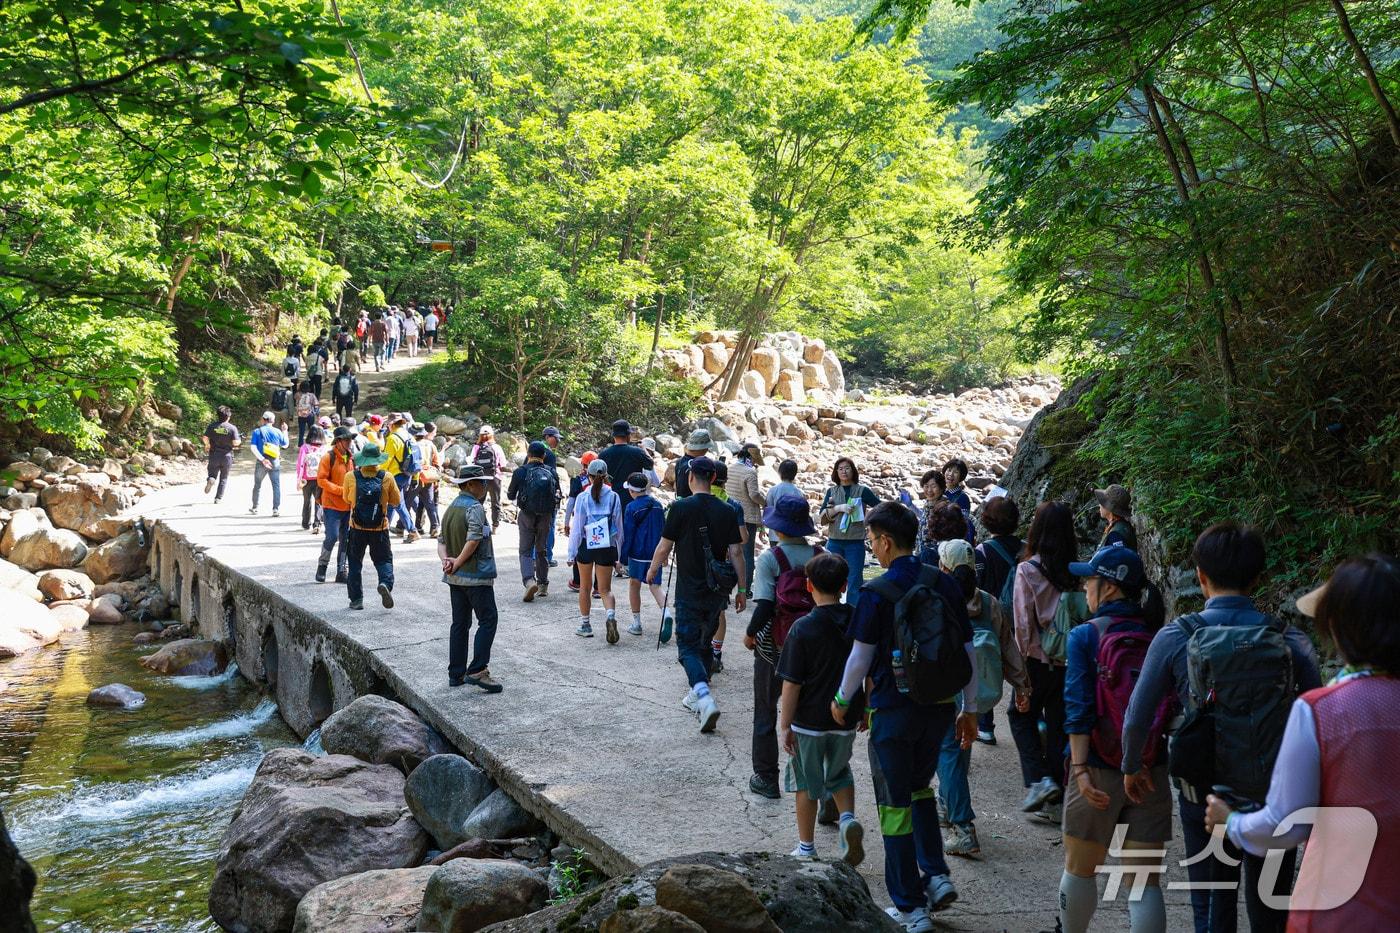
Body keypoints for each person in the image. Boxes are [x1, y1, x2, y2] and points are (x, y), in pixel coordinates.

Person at [1121, 522, 1320, 933]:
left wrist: (1131, 765)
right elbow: (1317, 718)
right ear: (1258, 578)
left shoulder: (1176, 636)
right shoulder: (1290, 640)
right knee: (1271, 908)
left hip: (1204, 792)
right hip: (1273, 794)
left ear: (1200, 576)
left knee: (1211, 905)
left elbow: (1137, 715)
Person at [1206, 552, 1400, 929]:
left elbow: (1286, 824)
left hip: (1338, 912)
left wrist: (1231, 822)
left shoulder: (1320, 711)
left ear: (1338, 627)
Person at [831, 502, 977, 932]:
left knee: (894, 805)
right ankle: (935, 875)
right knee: (919, 788)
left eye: (872, 540)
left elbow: (860, 657)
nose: (871, 547)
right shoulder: (943, 582)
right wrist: (969, 709)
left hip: (892, 711)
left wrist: (842, 699)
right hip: (939, 708)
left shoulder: (875, 593)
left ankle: (910, 907)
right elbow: (967, 651)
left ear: (886, 542)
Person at [1057, 545, 1171, 933]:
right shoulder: (1159, 636)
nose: (1084, 587)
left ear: (1108, 587)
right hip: (1150, 768)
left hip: (1097, 766)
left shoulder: (1085, 636)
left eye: (1089, 580)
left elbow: (1078, 709)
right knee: (1144, 883)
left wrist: (1079, 769)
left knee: (1080, 869)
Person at [934, 538, 1029, 860]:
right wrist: (1022, 686)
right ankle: (947, 803)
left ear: (944, 568)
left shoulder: (938, 600)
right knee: (961, 746)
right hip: (981, 691)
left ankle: (963, 827)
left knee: (948, 750)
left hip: (946, 689)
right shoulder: (988, 603)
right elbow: (1008, 646)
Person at [778, 550, 866, 866]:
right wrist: (866, 708)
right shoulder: (857, 620)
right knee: (840, 772)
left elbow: (792, 684)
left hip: (808, 722)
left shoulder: (802, 628)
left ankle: (806, 847)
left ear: (808, 586)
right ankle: (847, 821)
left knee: (806, 782)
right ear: (844, 586)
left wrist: (785, 724)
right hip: (846, 717)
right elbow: (867, 668)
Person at [645, 456, 745, 733]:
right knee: (704, 644)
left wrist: (652, 570)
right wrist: (742, 590)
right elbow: (737, 552)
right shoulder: (727, 510)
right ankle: (695, 695)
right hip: (717, 590)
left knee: (687, 647)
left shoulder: (680, 508)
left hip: (689, 590)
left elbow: (664, 547)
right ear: (713, 479)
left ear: (690, 478)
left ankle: (703, 696)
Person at [744, 495, 822, 801]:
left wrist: (750, 634)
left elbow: (765, 605)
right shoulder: (821, 556)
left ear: (778, 528)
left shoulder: (770, 559)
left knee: (765, 710)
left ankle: (766, 778)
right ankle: (820, 787)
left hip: (773, 647)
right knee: (811, 715)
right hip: (813, 648)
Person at [1008, 501, 1078, 818]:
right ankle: (1057, 793)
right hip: (1070, 660)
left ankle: (1039, 779)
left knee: (1020, 715)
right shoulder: (1076, 572)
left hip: (1037, 659)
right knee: (1058, 724)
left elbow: (1023, 623)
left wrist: (1020, 671)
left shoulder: (1028, 570)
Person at [438, 465, 503, 693]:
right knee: (488, 619)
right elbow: (474, 539)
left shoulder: (451, 508)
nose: (485, 486)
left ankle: (455, 674)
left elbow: (441, 541)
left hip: (455, 578)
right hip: (476, 577)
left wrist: (447, 562)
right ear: (471, 485)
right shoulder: (474, 508)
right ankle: (478, 669)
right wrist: (457, 562)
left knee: (460, 624)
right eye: (482, 482)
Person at [972, 494, 1022, 746]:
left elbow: (977, 586)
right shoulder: (1026, 548)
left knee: (986, 667)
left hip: (992, 618)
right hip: (1022, 619)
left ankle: (985, 727)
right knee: (1020, 665)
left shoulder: (982, 551)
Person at [568, 459, 624, 642]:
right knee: (605, 589)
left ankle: (585, 625)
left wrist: (571, 552)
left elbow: (577, 528)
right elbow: (619, 528)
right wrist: (619, 555)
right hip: (606, 546)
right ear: (606, 476)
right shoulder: (614, 497)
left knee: (585, 587)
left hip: (586, 545)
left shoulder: (582, 497)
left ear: (589, 476)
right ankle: (610, 616)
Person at [342, 441, 399, 610]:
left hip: (356, 528)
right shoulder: (387, 477)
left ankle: (356, 600)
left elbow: (346, 499)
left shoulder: (350, 476)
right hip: (379, 529)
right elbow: (396, 501)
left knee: (354, 563)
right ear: (378, 460)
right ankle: (385, 584)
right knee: (383, 560)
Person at [818, 457, 880, 605]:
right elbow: (821, 517)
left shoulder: (862, 491)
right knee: (831, 579)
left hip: (855, 543)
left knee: (854, 581)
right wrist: (838, 508)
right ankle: (832, 610)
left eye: (847, 468)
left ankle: (853, 612)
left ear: (853, 471)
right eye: (840, 469)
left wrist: (869, 522)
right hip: (834, 542)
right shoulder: (832, 492)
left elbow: (880, 508)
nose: (844, 471)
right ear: (836, 472)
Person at [507, 441, 558, 602]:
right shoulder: (551, 471)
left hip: (527, 515)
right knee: (541, 549)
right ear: (544, 455)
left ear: (528, 454)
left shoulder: (520, 471)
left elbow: (510, 495)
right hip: (546, 516)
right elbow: (557, 494)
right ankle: (543, 585)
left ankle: (529, 581)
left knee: (525, 550)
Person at [710, 460, 748, 674]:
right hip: (722, 566)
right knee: (719, 611)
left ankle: (701, 651)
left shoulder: (694, 501)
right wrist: (742, 588)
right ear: (726, 480)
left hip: (696, 563)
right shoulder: (733, 505)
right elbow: (742, 539)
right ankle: (715, 654)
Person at [622, 473, 668, 638]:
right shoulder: (658, 505)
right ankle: (667, 614)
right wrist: (665, 555)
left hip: (637, 553)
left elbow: (628, 534)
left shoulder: (631, 507)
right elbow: (664, 531)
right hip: (656, 553)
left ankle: (636, 623)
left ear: (631, 491)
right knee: (655, 586)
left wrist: (622, 558)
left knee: (634, 584)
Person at [726, 442, 767, 596]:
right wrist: (766, 502)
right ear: (751, 457)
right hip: (747, 518)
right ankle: (746, 589)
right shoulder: (750, 472)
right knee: (747, 555)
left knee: (731, 552)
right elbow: (754, 495)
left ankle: (727, 587)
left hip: (729, 515)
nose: (756, 463)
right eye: (755, 459)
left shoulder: (730, 468)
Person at [315, 426, 355, 583]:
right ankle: (322, 566)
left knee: (346, 539)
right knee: (332, 537)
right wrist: (340, 490)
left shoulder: (352, 458)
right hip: (331, 505)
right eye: (346, 439)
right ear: (338, 442)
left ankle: (342, 571)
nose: (349, 442)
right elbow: (321, 480)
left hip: (348, 506)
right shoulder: (328, 457)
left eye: (350, 439)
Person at [382, 414, 420, 543]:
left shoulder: (392, 438)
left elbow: (386, 459)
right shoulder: (409, 436)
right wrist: (415, 477)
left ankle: (412, 531)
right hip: (407, 474)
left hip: (395, 476)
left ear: (391, 424)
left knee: (398, 504)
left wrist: (377, 474)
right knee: (393, 503)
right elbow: (417, 459)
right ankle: (383, 529)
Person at [564, 451, 596, 594]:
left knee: (580, 549)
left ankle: (578, 581)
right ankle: (598, 587)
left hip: (582, 521)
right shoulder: (606, 481)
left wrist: (566, 522)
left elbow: (571, 502)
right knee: (599, 552)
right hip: (600, 524)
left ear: (583, 464)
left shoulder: (578, 479)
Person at [597, 420, 653, 495]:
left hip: (611, 496)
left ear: (614, 436)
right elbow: (650, 465)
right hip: (633, 495)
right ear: (628, 435)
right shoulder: (638, 452)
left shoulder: (603, 454)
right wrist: (644, 449)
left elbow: (599, 477)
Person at [249, 411, 288, 516]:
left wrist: (262, 459)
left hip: (262, 461)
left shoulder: (257, 431)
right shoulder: (278, 431)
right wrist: (285, 431)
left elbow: (253, 448)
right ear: (273, 421)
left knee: (257, 485)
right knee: (276, 485)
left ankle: (255, 507)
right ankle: (275, 509)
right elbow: (285, 445)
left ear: (263, 419)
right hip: (275, 461)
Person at [469, 425, 507, 529]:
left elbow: (471, 462)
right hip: (495, 478)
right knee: (495, 502)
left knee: (479, 502)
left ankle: (478, 524)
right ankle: (495, 526)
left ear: (480, 435)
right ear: (492, 435)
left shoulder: (476, 447)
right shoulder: (497, 447)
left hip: (480, 478)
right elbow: (503, 464)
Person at [202, 405, 240, 503]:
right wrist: (238, 441)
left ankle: (211, 479)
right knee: (224, 477)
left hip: (214, 454)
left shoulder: (212, 426)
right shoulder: (232, 428)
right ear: (228, 416)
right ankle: (218, 498)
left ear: (218, 415)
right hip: (227, 456)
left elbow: (205, 438)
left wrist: (207, 445)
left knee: (212, 473)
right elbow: (236, 442)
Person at [410, 423, 442, 538]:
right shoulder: (430, 444)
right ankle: (435, 528)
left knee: (407, 502)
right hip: (428, 477)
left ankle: (406, 528)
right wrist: (437, 480)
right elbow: (437, 463)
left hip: (415, 477)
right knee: (430, 503)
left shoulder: (412, 444)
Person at [296, 425, 327, 534]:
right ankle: (317, 524)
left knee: (306, 501)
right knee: (319, 501)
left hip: (306, 479)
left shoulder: (304, 448)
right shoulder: (324, 448)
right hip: (320, 478)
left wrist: (299, 480)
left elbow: (300, 465)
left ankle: (306, 523)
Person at [1093, 484, 1138, 551]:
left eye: (1102, 502)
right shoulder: (1120, 526)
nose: (1099, 505)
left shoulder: (1116, 534)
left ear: (1109, 508)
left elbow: (1119, 557)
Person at [673, 430, 713, 498]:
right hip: (693, 502)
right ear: (703, 449)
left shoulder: (680, 461)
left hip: (681, 501)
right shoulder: (696, 466)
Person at [294, 380, 319, 447]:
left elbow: (295, 400)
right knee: (311, 430)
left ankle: (300, 445)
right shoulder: (311, 395)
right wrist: (317, 414)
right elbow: (316, 405)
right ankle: (312, 443)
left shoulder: (297, 395)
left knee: (301, 431)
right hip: (310, 415)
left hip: (301, 415)